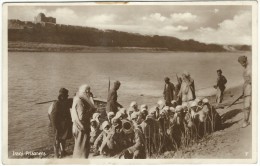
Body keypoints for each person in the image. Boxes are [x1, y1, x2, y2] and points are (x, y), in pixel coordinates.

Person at [71, 84, 96, 158]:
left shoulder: (77, 99)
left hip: (77, 126)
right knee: (82, 148)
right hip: (81, 128)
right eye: (88, 92)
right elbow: (81, 117)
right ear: (86, 92)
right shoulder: (80, 101)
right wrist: (90, 111)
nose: (89, 93)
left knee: (79, 146)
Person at [49, 88, 72, 158]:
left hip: (64, 125)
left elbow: (71, 102)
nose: (67, 97)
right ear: (62, 96)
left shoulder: (66, 102)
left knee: (63, 139)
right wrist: (55, 128)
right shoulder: (57, 104)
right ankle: (56, 155)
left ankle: (63, 152)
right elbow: (52, 117)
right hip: (58, 126)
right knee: (57, 140)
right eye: (66, 96)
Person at [238, 56, 252, 128]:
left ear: (246, 61)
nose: (242, 64)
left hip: (251, 90)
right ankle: (246, 121)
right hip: (247, 90)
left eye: (243, 62)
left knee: (247, 107)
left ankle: (246, 121)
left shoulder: (250, 69)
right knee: (247, 107)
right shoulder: (246, 69)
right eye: (241, 63)